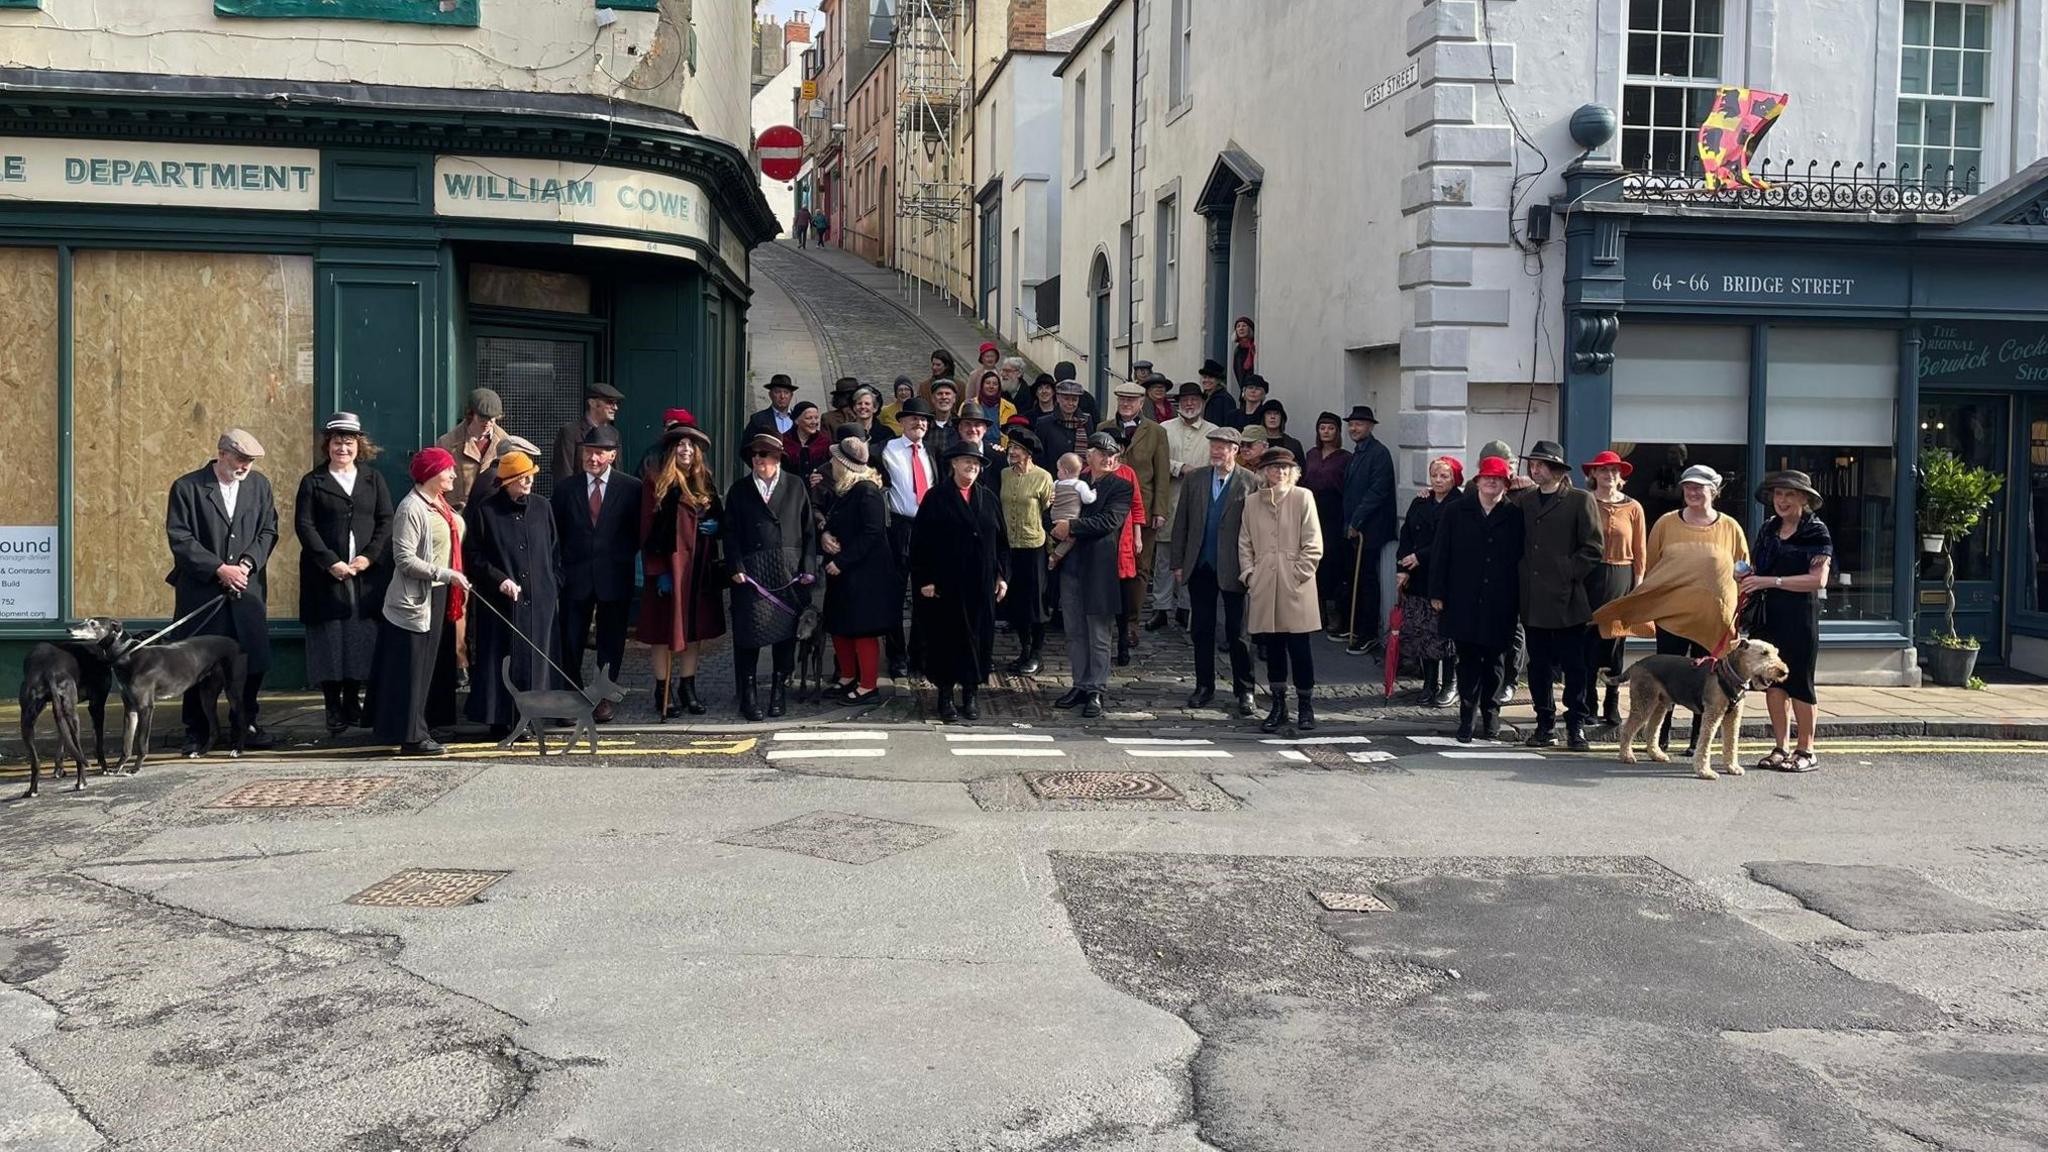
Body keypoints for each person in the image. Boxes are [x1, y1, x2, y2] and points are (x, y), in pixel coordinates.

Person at [1591, 464, 1750, 755]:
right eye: (1688, 486)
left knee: (1710, 683)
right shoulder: (1666, 523)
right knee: (1668, 681)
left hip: (1713, 621)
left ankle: (1696, 744)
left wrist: (1741, 597)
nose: (1692, 492)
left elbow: (1742, 567)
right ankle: (1658, 740)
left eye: (1699, 487)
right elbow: (1653, 566)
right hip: (1672, 618)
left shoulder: (1730, 527)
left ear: (1713, 491)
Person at [165, 428, 278, 754]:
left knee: (250, 658)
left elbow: (268, 529)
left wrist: (247, 563)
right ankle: (197, 731)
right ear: (222, 453)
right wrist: (219, 568)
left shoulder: (259, 486)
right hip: (203, 592)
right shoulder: (188, 487)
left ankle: (246, 723)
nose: (245, 467)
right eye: (241, 459)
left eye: (250, 462)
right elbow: (180, 538)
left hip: (246, 588)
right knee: (197, 662)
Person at [295, 413, 393, 737]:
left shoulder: (372, 479)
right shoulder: (313, 482)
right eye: (337, 441)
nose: (343, 447)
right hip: (326, 577)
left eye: (349, 442)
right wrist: (329, 561)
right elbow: (304, 526)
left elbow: (385, 521)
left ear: (358, 445)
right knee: (330, 640)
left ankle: (353, 702)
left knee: (359, 639)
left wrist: (369, 557)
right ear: (328, 445)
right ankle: (332, 707)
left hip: (364, 576)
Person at [372, 448, 471, 756]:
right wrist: (446, 572)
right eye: (448, 469)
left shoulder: (440, 505)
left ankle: (423, 726)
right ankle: (412, 737)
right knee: (413, 671)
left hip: (440, 594)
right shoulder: (410, 508)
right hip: (417, 599)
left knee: (430, 668)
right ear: (430, 474)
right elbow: (404, 560)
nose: (454, 474)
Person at [1512, 440, 1605, 751]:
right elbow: (1486, 497)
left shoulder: (1580, 500)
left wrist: (1567, 572)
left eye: (1540, 465)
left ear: (1555, 469)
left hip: (1567, 599)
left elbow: (1593, 549)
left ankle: (1576, 725)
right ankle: (1544, 724)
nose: (1534, 469)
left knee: (1573, 666)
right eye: (1532, 464)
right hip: (1534, 598)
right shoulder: (1525, 501)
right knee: (1538, 666)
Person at [463, 450, 562, 740]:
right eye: (522, 478)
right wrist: (499, 579)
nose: (529, 482)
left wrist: (553, 583)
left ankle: (532, 717)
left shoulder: (543, 507)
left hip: (540, 599)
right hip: (501, 601)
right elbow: (475, 556)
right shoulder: (487, 511)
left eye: (531, 476)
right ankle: (499, 718)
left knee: (536, 659)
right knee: (500, 659)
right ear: (506, 481)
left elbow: (555, 550)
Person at [911, 441, 1011, 721]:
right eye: (967, 461)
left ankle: (971, 694)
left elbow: (1002, 542)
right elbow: (920, 543)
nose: (972, 467)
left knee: (979, 639)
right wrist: (926, 579)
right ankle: (945, 696)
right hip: (946, 583)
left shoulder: (988, 497)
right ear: (954, 464)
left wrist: (1002, 575)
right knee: (947, 640)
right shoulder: (936, 497)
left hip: (981, 583)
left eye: (977, 463)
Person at [551, 424, 643, 721]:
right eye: (589, 452)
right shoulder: (566, 489)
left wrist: (623, 557)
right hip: (575, 577)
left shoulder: (631, 489)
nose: (592, 458)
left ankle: (603, 697)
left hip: (614, 576)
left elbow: (638, 531)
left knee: (611, 641)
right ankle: (571, 696)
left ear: (612, 456)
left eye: (599, 453)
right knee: (570, 639)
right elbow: (556, 534)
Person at [1430, 455, 1525, 743]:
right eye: (1487, 477)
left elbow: (1521, 558)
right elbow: (1440, 553)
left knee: (1496, 662)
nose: (1491, 482)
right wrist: (1437, 592)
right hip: (1463, 598)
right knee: (1468, 660)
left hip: (1500, 600)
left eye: (1498, 478)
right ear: (1478, 481)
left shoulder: (1514, 514)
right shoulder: (1457, 511)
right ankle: (1467, 718)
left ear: (1506, 484)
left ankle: (1491, 714)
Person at [1743, 471, 1832, 774]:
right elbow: (1758, 565)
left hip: (1800, 615)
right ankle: (1781, 748)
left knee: (1800, 684)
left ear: (1804, 499)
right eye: (1778, 494)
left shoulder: (1816, 531)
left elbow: (1818, 579)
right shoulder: (1769, 528)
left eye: (1789, 494)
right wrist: (1747, 575)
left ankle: (1806, 750)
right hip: (1768, 614)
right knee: (1773, 683)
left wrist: (1771, 580)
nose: (1781, 500)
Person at [724, 432, 818, 720]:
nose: (758, 460)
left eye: (763, 455)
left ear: (778, 459)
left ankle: (778, 691)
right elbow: (730, 533)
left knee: (785, 637)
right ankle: (748, 694)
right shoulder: (739, 489)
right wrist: (735, 566)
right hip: (752, 574)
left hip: (788, 572)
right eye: (754, 455)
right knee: (748, 634)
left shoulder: (795, 486)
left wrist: (809, 568)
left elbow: (809, 530)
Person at [1170, 426, 1259, 717]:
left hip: (1235, 566)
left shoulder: (1250, 482)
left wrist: (1254, 567)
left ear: (1235, 450)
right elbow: (1181, 522)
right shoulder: (1196, 479)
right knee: (1201, 629)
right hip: (1201, 563)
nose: (1216, 451)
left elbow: (1258, 529)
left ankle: (1245, 689)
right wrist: (1178, 562)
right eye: (1213, 446)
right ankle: (1204, 685)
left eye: (1223, 446)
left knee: (1238, 632)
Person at [640, 421, 726, 718]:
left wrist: (715, 527)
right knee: (663, 632)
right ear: (671, 451)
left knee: (694, 630)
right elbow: (647, 531)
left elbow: (721, 520)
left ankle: (687, 687)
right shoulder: (657, 485)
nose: (686, 449)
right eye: (680, 445)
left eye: (691, 445)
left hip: (698, 569)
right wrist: (657, 570)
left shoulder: (705, 482)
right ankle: (660, 688)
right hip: (670, 569)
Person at [1241, 446, 1326, 733]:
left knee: (1300, 647)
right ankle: (1278, 704)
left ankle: (1306, 704)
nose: (1280, 472)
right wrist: (1250, 575)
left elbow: (1313, 542)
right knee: (1272, 647)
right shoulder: (1252, 502)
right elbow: (1245, 542)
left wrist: (1300, 572)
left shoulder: (1303, 497)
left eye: (1285, 468)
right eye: (1275, 468)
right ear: (1265, 472)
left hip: (1296, 583)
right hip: (1265, 581)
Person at [1050, 435, 1133, 718]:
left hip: (1100, 567)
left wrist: (1070, 526)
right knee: (1074, 631)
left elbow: (1109, 521)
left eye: (1113, 455)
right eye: (1103, 454)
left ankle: (1097, 687)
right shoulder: (1075, 479)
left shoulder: (1121, 486)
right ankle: (1080, 684)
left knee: (1098, 633)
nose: (1109, 459)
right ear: (1090, 455)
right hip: (1071, 564)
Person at [820, 435, 896, 705]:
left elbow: (873, 533)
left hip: (864, 574)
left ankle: (867, 685)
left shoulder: (867, 491)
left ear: (844, 464)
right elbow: (836, 522)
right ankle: (847, 676)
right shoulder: (846, 490)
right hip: (845, 574)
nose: (831, 463)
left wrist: (842, 561)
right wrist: (825, 535)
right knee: (841, 626)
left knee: (862, 629)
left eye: (835, 460)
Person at [1100, 381, 1171, 651]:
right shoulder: (1104, 429)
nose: (1127, 405)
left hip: (1143, 509)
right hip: (1109, 509)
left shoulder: (1155, 432)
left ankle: (1131, 623)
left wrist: (1159, 510)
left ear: (1142, 403)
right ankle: (1108, 617)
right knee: (1110, 563)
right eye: (1122, 400)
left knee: (1140, 568)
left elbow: (1162, 474)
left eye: (1133, 400)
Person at [1583, 449, 1647, 727]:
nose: (1609, 475)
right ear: (1593, 474)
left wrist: (1638, 587)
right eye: (1604, 470)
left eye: (1614, 471)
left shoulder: (1633, 507)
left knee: (1615, 643)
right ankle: (1586, 703)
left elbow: (1640, 552)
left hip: (1621, 573)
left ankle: (1611, 703)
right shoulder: (1585, 502)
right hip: (1589, 574)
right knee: (1586, 642)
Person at [879, 397, 941, 678]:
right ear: (901, 421)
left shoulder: (932, 453)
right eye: (914, 418)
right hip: (899, 527)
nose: (920, 423)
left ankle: (921, 652)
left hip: (927, 528)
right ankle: (896, 655)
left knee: (926, 593)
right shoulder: (885, 450)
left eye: (925, 419)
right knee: (892, 594)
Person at [1397, 456, 1462, 708]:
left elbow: (1449, 541)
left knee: (1445, 634)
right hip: (1419, 577)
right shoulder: (1420, 500)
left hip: (1446, 576)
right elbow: (1406, 534)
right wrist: (1401, 566)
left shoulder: (1460, 503)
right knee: (1424, 633)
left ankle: (1450, 683)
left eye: (1443, 476)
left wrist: (1419, 556)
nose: (1437, 480)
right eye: (1434, 475)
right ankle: (1429, 682)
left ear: (1454, 478)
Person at [1153, 382, 1216, 630]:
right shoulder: (1164, 429)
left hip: (1200, 503)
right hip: (1169, 500)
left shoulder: (1214, 431)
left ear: (1202, 403)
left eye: (1195, 400)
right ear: (1179, 403)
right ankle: (1160, 608)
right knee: (1165, 559)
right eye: (1185, 400)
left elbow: (1219, 461)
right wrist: (1179, 467)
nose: (1190, 404)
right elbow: (1158, 459)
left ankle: (1185, 608)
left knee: (1194, 558)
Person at [1340, 405, 1396, 656]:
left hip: (1370, 530)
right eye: (1351, 424)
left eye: (1359, 424)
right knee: (1356, 579)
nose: (1353, 428)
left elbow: (1376, 493)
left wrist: (1356, 522)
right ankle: (1355, 627)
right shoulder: (1358, 453)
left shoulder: (1378, 453)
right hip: (1356, 528)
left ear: (1370, 426)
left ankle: (1368, 633)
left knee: (1368, 582)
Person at [998, 428, 1054, 675]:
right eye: (1011, 448)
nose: (1012, 452)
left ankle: (1037, 653)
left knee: (1036, 601)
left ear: (1028, 453)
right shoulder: (1004, 474)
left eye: (1017, 449)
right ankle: (1024, 648)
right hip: (1010, 546)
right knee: (1017, 601)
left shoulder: (1043, 477)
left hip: (1034, 546)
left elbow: (1048, 511)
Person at [1302, 411, 1353, 638]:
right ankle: (1316, 611)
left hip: (1334, 510)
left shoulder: (1345, 457)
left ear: (1337, 432)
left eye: (1330, 428)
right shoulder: (1312, 454)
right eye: (1322, 428)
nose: (1326, 432)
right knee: (1313, 560)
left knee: (1332, 561)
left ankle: (1335, 613)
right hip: (1312, 508)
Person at [436, 388, 509, 514]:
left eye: (492, 419)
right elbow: (435, 486)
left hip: (494, 515)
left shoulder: (505, 443)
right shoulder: (447, 444)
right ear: (470, 414)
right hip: (460, 517)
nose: (488, 423)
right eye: (482, 419)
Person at [550, 380, 624, 482]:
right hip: (578, 494)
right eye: (610, 402)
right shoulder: (570, 432)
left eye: (616, 403)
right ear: (592, 403)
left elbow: (617, 471)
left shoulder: (614, 434)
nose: (615, 407)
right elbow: (563, 472)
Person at [1046, 454, 1096, 567]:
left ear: (1066, 471)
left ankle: (1051, 541)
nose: (1057, 473)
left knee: (1054, 533)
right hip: (1068, 519)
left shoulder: (1056, 483)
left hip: (1054, 515)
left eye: (1058, 470)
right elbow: (1088, 499)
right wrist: (1094, 493)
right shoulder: (1080, 485)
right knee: (1070, 539)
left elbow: (1051, 494)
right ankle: (1055, 556)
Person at [1033, 379, 1092, 472]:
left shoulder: (1086, 421)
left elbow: (1090, 451)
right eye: (1066, 399)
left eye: (1074, 400)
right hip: (1053, 478)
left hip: (1080, 479)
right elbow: (1039, 457)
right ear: (1058, 398)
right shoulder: (1044, 423)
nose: (1070, 403)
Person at [781, 401, 834, 490]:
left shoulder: (825, 441)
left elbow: (832, 469)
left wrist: (823, 478)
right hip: (790, 492)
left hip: (817, 494)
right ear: (796, 421)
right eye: (809, 418)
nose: (814, 422)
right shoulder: (784, 441)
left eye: (816, 418)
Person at [954, 402, 1006, 492]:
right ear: (960, 428)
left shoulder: (999, 457)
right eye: (967, 424)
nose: (972, 429)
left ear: (985, 429)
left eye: (977, 425)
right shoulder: (951, 457)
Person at [1255, 400, 1307, 480]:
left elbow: (1302, 473)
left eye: (1276, 413)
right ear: (1263, 418)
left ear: (1282, 418)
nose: (1272, 417)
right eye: (1268, 413)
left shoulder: (1293, 444)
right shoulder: (1255, 443)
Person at [745, 374, 800, 440]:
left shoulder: (799, 419)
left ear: (791, 396)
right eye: (777, 392)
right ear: (770, 394)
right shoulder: (758, 419)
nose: (782, 396)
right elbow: (746, 447)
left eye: (786, 392)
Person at [971, 370, 1018, 438]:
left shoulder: (1010, 408)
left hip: (1000, 447)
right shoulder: (970, 404)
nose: (991, 386)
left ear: (999, 387)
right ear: (982, 385)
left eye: (995, 384)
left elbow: (1014, 432)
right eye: (987, 383)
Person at [1198, 359, 1236, 429]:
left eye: (1210, 377)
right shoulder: (1204, 398)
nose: (1206, 380)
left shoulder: (1224, 399)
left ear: (1218, 380)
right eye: (1204, 377)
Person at [928, 378, 962, 445]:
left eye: (947, 393)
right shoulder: (925, 424)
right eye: (939, 394)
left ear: (954, 399)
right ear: (933, 398)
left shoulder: (960, 425)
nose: (944, 397)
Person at [1231, 316, 1257, 391]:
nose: (1241, 328)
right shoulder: (1239, 350)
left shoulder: (1255, 346)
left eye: (1244, 326)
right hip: (1246, 389)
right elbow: (1239, 372)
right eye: (1238, 326)